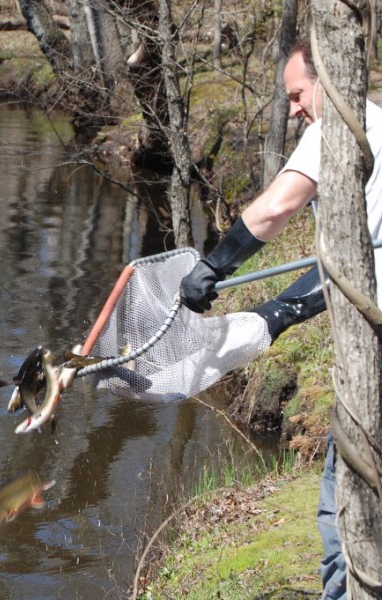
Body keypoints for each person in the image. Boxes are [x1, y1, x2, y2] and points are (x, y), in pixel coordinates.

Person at [179, 39, 382, 600]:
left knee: (343, 503)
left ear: (328, 81)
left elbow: (276, 208)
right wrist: (278, 312)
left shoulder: (337, 129)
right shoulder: (380, 125)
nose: (294, 108)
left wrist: (213, 265)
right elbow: (352, 258)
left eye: (297, 94)